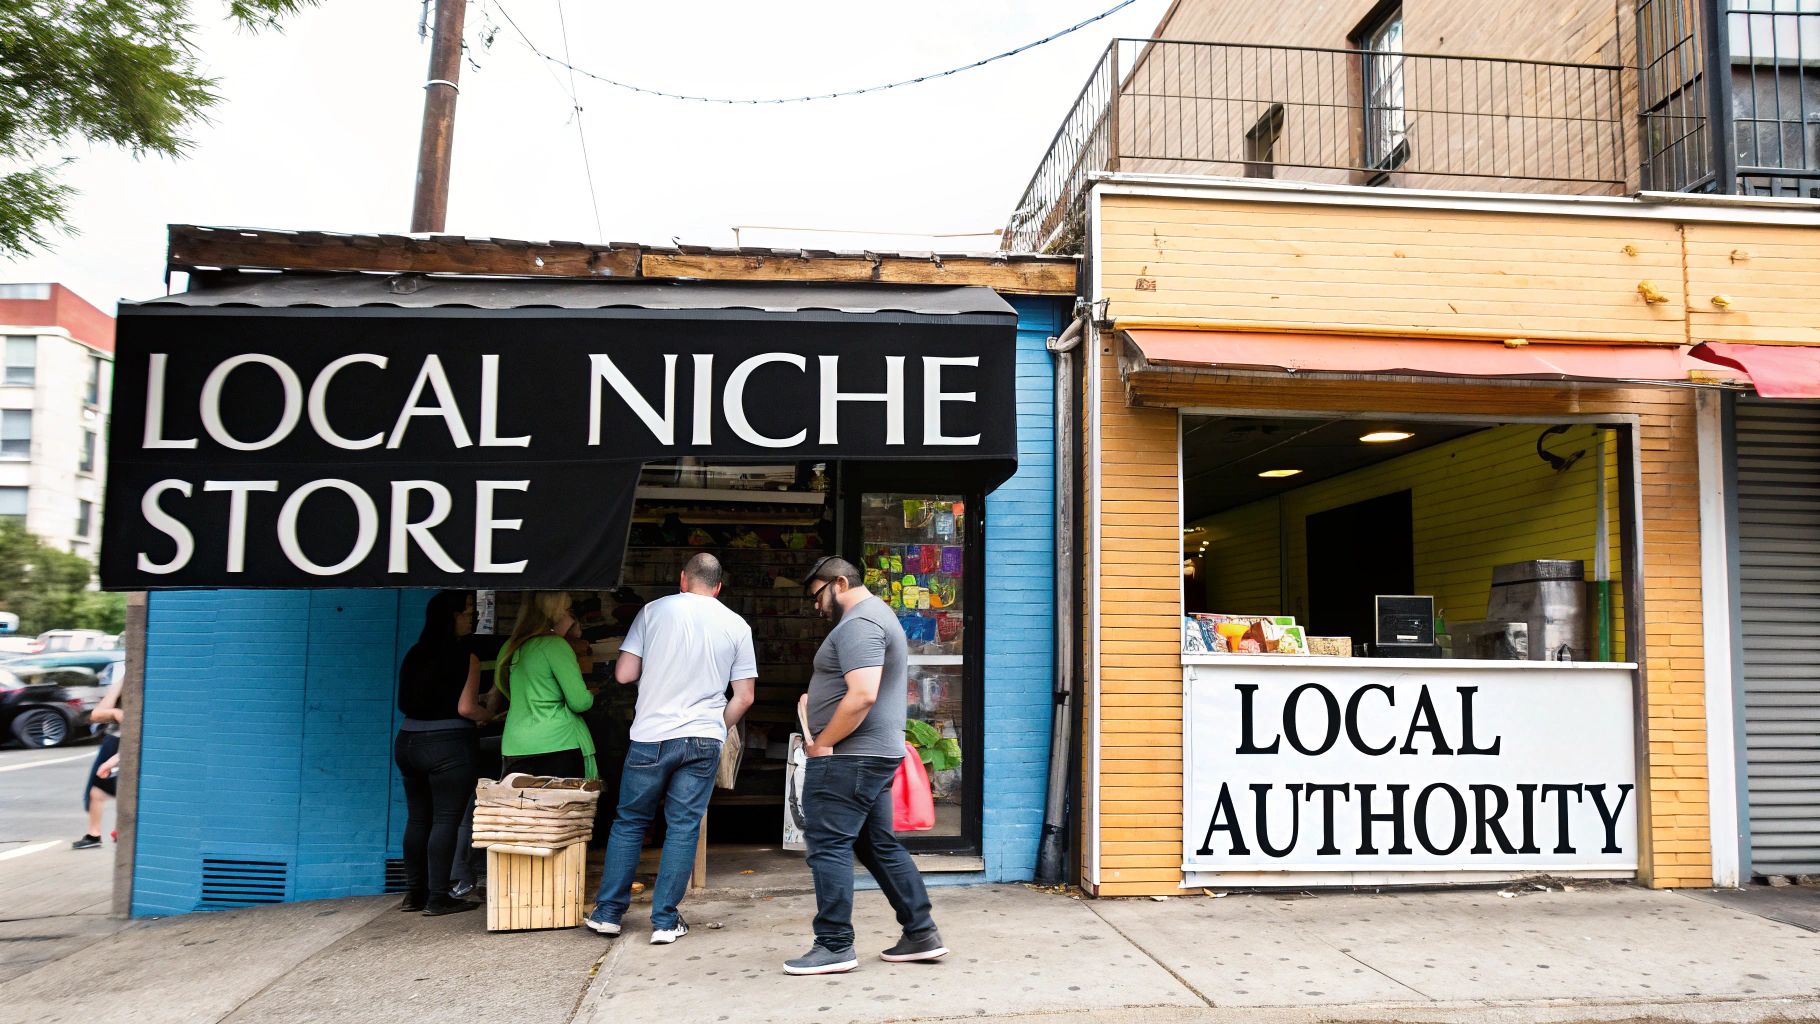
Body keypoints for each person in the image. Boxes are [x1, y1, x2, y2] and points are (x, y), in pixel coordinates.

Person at [784, 556, 946, 976]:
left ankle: (834, 944)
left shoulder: (861, 622)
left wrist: (823, 742)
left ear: (839, 583)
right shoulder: (874, 618)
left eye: (818, 595)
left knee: (828, 845)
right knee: (876, 844)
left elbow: (862, 695)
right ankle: (921, 933)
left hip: (849, 757)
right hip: (867, 755)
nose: (816, 606)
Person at [586, 553, 756, 945]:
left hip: (651, 735)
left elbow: (624, 674)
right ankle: (664, 921)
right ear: (718, 587)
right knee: (683, 826)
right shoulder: (737, 624)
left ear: (682, 579)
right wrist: (717, 727)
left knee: (630, 822)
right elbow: (745, 696)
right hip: (703, 738)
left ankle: (608, 914)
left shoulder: (652, 612)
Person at [394, 590, 489, 916]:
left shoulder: (414, 653)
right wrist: (488, 713)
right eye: (467, 612)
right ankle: (438, 897)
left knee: (418, 818)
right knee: (446, 819)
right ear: (451, 616)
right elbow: (467, 708)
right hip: (448, 744)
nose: (472, 617)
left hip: (408, 740)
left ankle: (414, 894)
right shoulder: (466, 657)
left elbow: (404, 701)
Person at [493, 591, 596, 779]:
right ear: (557, 611)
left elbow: (503, 686)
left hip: (514, 743)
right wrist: (592, 693)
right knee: (561, 799)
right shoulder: (555, 645)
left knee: (522, 798)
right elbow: (579, 702)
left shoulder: (510, 646)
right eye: (567, 609)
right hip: (558, 743)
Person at [73, 663, 124, 850]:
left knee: (121, 788)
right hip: (116, 739)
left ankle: (114, 831)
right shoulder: (126, 679)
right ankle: (96, 834)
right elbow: (96, 715)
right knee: (98, 789)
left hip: (131, 741)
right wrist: (115, 713)